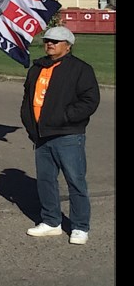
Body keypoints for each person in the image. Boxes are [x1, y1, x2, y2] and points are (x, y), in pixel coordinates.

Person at [20, 26, 100, 245]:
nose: (50, 44)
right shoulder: (37, 67)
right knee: (45, 181)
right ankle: (51, 221)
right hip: (41, 135)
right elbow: (27, 98)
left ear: (68, 45)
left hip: (68, 135)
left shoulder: (80, 69)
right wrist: (29, 123)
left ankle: (80, 226)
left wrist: (65, 117)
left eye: (55, 41)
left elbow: (89, 100)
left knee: (75, 181)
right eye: (47, 41)